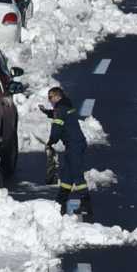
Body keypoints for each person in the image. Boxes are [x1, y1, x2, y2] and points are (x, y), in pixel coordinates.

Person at [44, 85, 90, 213]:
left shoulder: (61, 108)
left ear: (58, 96)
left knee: (76, 174)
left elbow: (56, 129)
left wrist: (51, 142)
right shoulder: (66, 105)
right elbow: (59, 114)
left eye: (50, 97)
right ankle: (60, 201)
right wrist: (47, 112)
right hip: (73, 145)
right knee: (67, 175)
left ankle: (86, 204)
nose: (49, 100)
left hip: (74, 145)